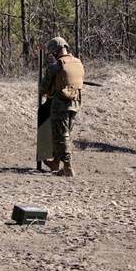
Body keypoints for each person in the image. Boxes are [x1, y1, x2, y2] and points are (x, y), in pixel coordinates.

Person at [39, 36, 84, 177]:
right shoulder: (78, 62)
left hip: (60, 104)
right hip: (75, 103)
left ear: (55, 51)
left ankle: (68, 167)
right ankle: (56, 163)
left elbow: (43, 87)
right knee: (64, 133)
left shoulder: (55, 66)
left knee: (61, 135)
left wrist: (44, 90)